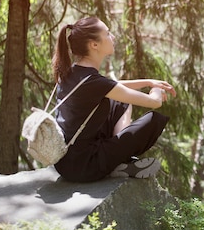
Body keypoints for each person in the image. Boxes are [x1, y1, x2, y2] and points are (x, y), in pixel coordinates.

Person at [50, 16, 176, 183]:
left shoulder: (72, 72)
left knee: (121, 102)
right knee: (153, 120)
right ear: (94, 45)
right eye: (108, 34)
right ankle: (119, 161)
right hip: (84, 166)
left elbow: (113, 86)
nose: (113, 37)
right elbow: (154, 102)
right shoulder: (94, 81)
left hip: (66, 162)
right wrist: (156, 90)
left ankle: (117, 159)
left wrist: (147, 82)